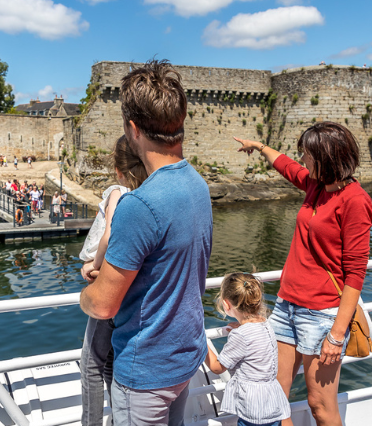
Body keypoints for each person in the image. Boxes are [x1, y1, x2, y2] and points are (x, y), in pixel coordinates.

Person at [79, 59, 212, 426]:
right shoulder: (198, 186)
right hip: (185, 357)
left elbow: (103, 306)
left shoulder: (140, 205)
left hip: (146, 370)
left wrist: (87, 291)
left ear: (132, 128)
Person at [233, 122, 372, 426]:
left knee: (320, 407)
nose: (303, 159)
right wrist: (259, 147)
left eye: (308, 154)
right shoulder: (315, 184)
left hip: (322, 315)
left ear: (327, 157)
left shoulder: (354, 200)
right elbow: (286, 166)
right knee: (275, 399)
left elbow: (355, 273)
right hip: (286, 307)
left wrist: (336, 336)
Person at [78, 135, 149, 426]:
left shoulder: (118, 192)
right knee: (109, 360)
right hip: (131, 286)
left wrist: (92, 267)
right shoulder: (147, 194)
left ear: (118, 168)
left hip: (109, 280)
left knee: (91, 362)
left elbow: (108, 235)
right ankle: (118, 418)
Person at [204, 273, 291, 426]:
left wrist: (201, 341)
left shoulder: (241, 335)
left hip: (253, 407)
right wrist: (242, 327)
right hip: (272, 402)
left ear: (226, 304)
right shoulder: (265, 324)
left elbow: (217, 367)